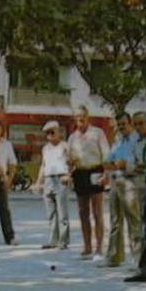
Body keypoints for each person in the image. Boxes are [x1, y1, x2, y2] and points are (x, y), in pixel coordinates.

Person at [67, 105, 110, 261]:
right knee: (82, 211)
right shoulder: (72, 137)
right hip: (80, 172)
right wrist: (69, 165)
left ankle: (99, 248)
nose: (80, 119)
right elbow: (69, 160)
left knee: (97, 211)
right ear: (75, 119)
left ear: (88, 116)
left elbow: (106, 154)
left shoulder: (97, 133)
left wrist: (106, 174)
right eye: (77, 117)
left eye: (83, 116)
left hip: (95, 171)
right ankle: (87, 247)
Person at [101, 112, 142, 267]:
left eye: (124, 124)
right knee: (115, 221)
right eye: (119, 125)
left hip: (131, 183)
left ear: (130, 123)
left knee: (134, 222)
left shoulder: (137, 140)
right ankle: (114, 257)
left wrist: (123, 164)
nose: (121, 127)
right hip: (116, 181)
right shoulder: (118, 142)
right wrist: (116, 164)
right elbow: (107, 162)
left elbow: (135, 163)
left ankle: (138, 259)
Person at [33, 121, 71, 250]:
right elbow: (43, 165)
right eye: (47, 133)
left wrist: (68, 175)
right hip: (48, 179)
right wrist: (39, 182)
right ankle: (53, 240)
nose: (50, 135)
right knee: (51, 213)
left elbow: (73, 162)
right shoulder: (45, 148)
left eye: (52, 132)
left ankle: (63, 241)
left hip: (61, 178)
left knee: (62, 213)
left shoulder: (65, 146)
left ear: (59, 131)